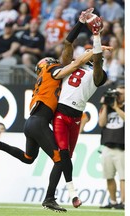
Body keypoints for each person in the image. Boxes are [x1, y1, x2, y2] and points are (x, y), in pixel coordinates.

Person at [0, 8, 97, 212]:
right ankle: (49, 198)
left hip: (30, 123)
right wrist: (93, 53)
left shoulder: (42, 79)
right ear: (48, 65)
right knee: (60, 158)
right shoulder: (53, 72)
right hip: (39, 122)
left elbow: (67, 51)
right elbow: (76, 63)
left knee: (28, 157)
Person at [44, 13, 110, 208]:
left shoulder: (99, 75)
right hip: (61, 114)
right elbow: (67, 44)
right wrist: (80, 23)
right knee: (63, 155)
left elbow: (97, 61)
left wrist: (96, 36)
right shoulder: (72, 65)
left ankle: (51, 196)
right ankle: (73, 193)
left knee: (64, 159)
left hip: (75, 118)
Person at [98, 85, 125, 210]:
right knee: (109, 176)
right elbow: (101, 123)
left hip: (123, 148)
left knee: (124, 177)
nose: (118, 96)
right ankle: (113, 202)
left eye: (121, 94)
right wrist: (105, 105)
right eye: (117, 94)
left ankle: (124, 203)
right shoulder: (107, 108)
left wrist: (116, 107)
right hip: (107, 146)